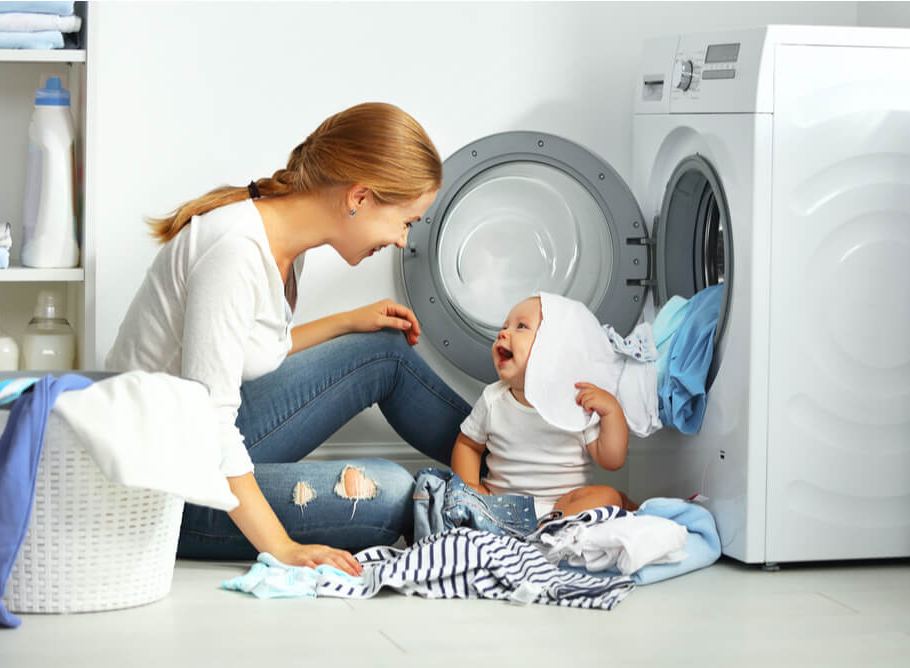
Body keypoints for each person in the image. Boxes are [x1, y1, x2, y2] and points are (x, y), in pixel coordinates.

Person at [106, 102, 471, 575]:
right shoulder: (235, 252)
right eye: (406, 221)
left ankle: (513, 470)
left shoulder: (283, 244)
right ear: (359, 197)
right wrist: (281, 548)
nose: (403, 240)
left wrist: (346, 321)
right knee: (389, 491)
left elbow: (245, 352)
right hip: (165, 487)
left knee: (383, 348)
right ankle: (484, 501)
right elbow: (209, 421)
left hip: (195, 444)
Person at [450, 296, 637, 521]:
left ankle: (550, 527)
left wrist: (611, 412)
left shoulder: (576, 401)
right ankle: (526, 529)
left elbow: (612, 460)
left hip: (563, 504)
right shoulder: (493, 399)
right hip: (502, 504)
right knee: (453, 495)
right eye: (504, 327)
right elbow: (468, 445)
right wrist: (470, 490)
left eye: (521, 326)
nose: (503, 333)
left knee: (607, 496)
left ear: (554, 346)